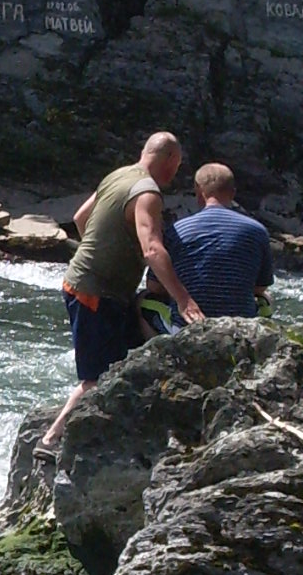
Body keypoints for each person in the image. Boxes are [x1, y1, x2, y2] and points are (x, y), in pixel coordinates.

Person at [40, 132, 203, 450]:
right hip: (94, 292)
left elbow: (80, 218)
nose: (176, 173)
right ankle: (51, 438)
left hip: (88, 284)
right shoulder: (148, 193)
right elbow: (153, 250)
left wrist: (101, 249)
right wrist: (184, 300)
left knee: (139, 341)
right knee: (96, 379)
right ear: (170, 160)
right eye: (178, 165)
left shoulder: (118, 175)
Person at [164, 162, 273, 321]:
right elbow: (261, 286)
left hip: (189, 324)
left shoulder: (177, 230)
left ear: (199, 192)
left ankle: (158, 344)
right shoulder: (257, 230)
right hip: (241, 327)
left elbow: (155, 286)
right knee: (266, 299)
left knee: (145, 300)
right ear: (233, 192)